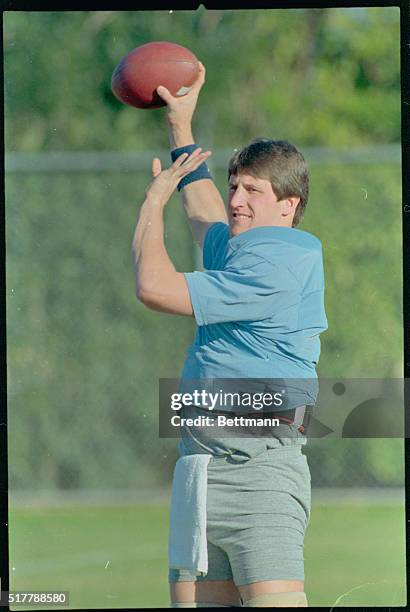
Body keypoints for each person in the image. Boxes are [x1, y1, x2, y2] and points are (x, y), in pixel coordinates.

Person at [132, 63, 327, 607]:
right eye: (234, 185)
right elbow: (204, 216)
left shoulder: (280, 263)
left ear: (288, 206)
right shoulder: (245, 249)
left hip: (259, 473)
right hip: (198, 470)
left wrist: (152, 202)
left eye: (254, 191)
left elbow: (152, 286)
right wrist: (181, 129)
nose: (237, 199)